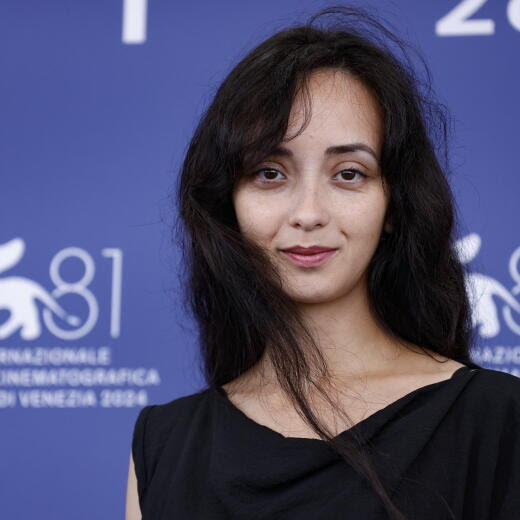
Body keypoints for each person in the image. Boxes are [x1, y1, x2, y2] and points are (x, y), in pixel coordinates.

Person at [125, 5, 520, 520]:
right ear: (229, 203)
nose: (308, 213)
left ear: (395, 204)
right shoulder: (163, 444)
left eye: (349, 173)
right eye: (269, 173)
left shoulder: (497, 420)